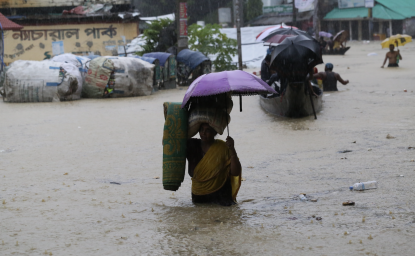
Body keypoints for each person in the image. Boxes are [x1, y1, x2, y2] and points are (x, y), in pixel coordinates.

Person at [186, 123, 242, 206]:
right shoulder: (192, 145)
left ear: (215, 132)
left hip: (222, 197)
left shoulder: (223, 147)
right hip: (199, 198)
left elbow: (235, 172)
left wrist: (232, 149)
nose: (204, 133)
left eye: (208, 130)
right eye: (201, 130)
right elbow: (174, 145)